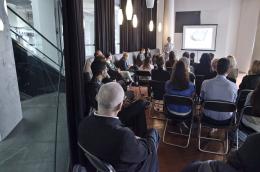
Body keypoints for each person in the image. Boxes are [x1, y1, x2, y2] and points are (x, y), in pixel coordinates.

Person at [79, 82, 160, 172]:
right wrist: (139, 140)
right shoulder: (124, 136)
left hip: (105, 163)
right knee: (153, 133)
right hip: (127, 168)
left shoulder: (83, 124)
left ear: (97, 97)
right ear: (120, 106)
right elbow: (145, 152)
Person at [86, 59, 148, 137]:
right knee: (141, 103)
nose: (107, 70)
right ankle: (141, 136)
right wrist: (120, 105)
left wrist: (122, 102)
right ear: (102, 72)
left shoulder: (98, 83)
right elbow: (101, 107)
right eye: (106, 69)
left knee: (139, 111)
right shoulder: (94, 87)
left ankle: (140, 136)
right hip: (112, 116)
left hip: (114, 112)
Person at [182, 133, 260, 172]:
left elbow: (233, 161)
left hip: (206, 119)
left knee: (194, 165)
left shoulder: (255, 139)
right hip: (226, 121)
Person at [200, 58, 238, 124]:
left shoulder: (205, 83)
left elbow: (202, 98)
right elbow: (233, 101)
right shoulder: (234, 86)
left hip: (208, 117)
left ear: (216, 68)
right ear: (228, 70)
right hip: (226, 120)